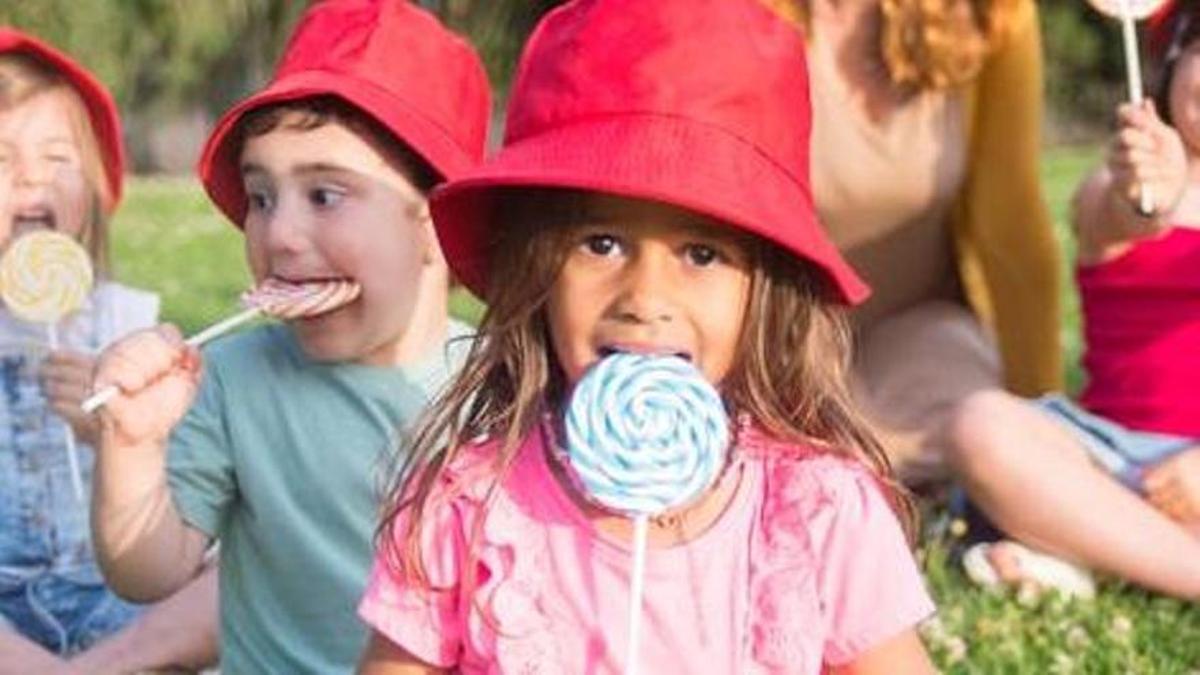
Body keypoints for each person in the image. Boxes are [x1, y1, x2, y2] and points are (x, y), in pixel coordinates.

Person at [356, 1, 936, 672]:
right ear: (534, 263)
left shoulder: (817, 513)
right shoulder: (468, 511)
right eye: (600, 243)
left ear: (765, 290)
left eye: (700, 254)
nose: (645, 298)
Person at [87, 1, 491, 671]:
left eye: (325, 195)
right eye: (261, 197)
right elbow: (148, 571)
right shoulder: (233, 377)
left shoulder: (501, 391)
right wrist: (132, 445)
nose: (278, 234)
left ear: (433, 223)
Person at [945, 0, 1200, 600]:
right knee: (981, 424)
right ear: (1171, 60)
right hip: (1112, 464)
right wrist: (1147, 200)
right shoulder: (1120, 183)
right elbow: (1126, 213)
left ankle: (1090, 555)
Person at [759, 0, 1063, 487]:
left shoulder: (995, 14)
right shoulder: (733, 12)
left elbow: (1012, 232)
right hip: (776, 335)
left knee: (978, 425)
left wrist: (1045, 417)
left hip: (918, 336)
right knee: (790, 456)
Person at [0, 28, 219, 675]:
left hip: (115, 593)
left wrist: (111, 436)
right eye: (1, 157)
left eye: (58, 157)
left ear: (93, 188)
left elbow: (191, 488)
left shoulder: (129, 323)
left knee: (241, 574)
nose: (31, 176)